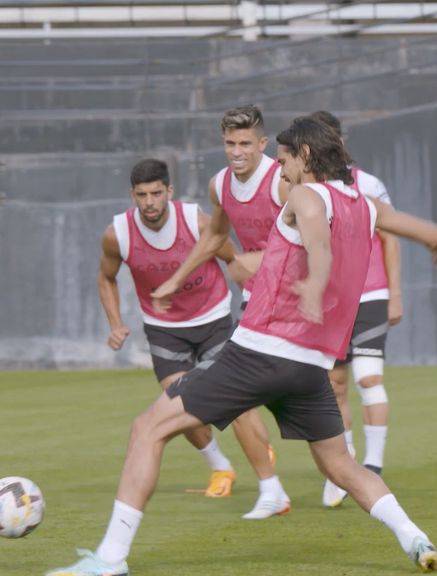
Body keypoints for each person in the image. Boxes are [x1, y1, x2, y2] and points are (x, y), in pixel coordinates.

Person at [46, 116, 437, 576]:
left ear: (305, 156)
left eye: (283, 161)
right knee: (341, 464)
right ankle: (414, 538)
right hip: (309, 368)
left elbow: (318, 243)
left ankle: (110, 559)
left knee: (148, 429)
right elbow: (426, 231)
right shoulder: (365, 204)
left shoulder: (304, 194)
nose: (279, 172)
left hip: (260, 351)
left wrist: (315, 283)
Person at [155, 105, 288, 519]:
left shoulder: (282, 182)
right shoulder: (221, 185)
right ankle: (271, 490)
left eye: (245, 143)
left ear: (262, 144)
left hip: (299, 303)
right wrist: (177, 280)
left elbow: (313, 239)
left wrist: (262, 260)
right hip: (256, 305)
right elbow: (214, 238)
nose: (236, 151)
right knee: (236, 392)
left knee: (327, 391)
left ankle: (350, 463)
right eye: (230, 143)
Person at [98, 158, 245, 498]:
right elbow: (106, 277)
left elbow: (233, 259)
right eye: (141, 194)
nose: (149, 202)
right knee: (181, 402)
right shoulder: (116, 233)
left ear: (169, 191)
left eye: (155, 193)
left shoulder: (196, 221)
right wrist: (116, 323)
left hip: (213, 318)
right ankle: (221, 467)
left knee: (238, 401)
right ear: (132, 195)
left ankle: (266, 470)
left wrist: (253, 304)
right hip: (164, 329)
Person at [309, 110, 401, 507]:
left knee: (368, 378)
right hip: (332, 302)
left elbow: (391, 237)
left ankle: (374, 466)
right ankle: (343, 466)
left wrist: (395, 292)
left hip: (371, 294)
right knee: (334, 385)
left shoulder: (369, 184)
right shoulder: (311, 191)